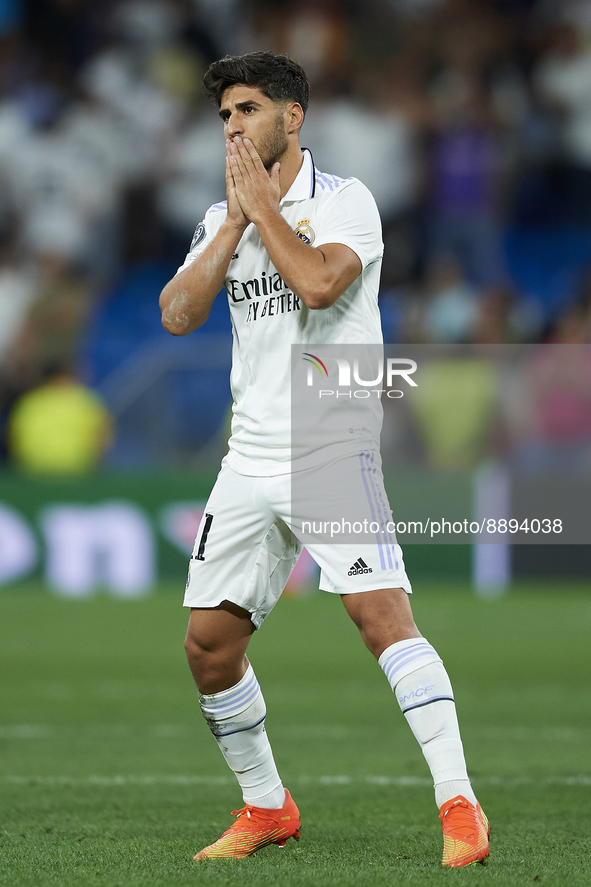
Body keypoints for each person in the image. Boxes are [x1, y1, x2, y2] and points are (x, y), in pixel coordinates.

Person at [159, 51, 490, 868]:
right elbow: (175, 312)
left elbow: (313, 284)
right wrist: (234, 221)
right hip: (250, 451)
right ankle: (267, 805)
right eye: (224, 115)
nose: (232, 127)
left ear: (291, 116)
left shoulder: (346, 203)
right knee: (207, 644)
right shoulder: (218, 219)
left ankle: (460, 806)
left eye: (246, 111)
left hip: (329, 437)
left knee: (380, 617)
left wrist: (263, 210)